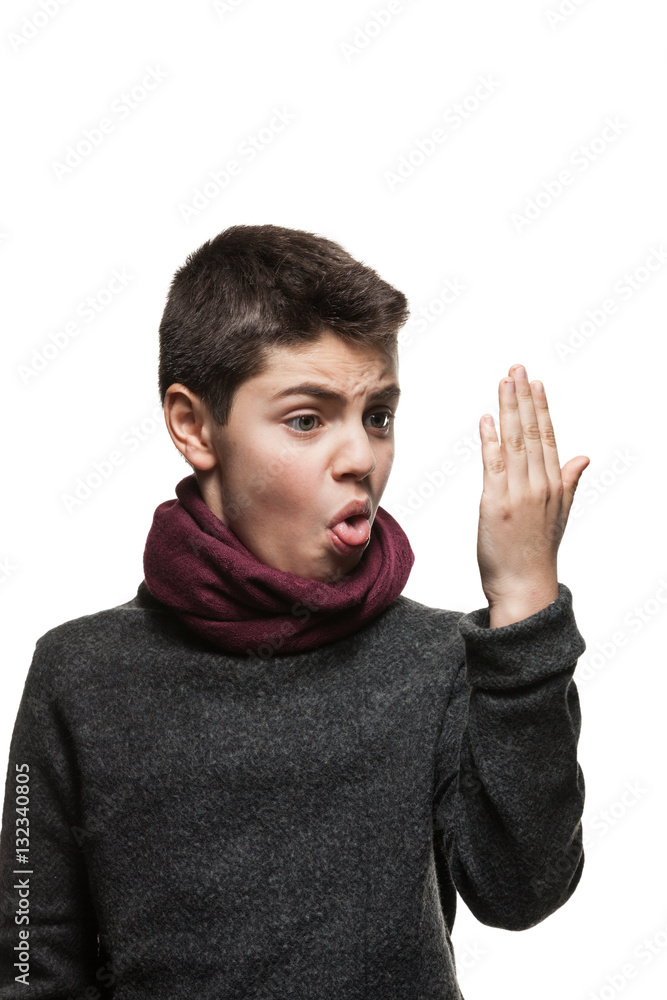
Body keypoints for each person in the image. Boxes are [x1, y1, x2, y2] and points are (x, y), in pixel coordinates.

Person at [0, 224, 590, 998]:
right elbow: (25, 960)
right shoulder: (78, 675)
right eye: (307, 419)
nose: (359, 458)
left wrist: (522, 607)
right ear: (191, 425)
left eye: (377, 415)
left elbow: (524, 889)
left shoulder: (438, 658)